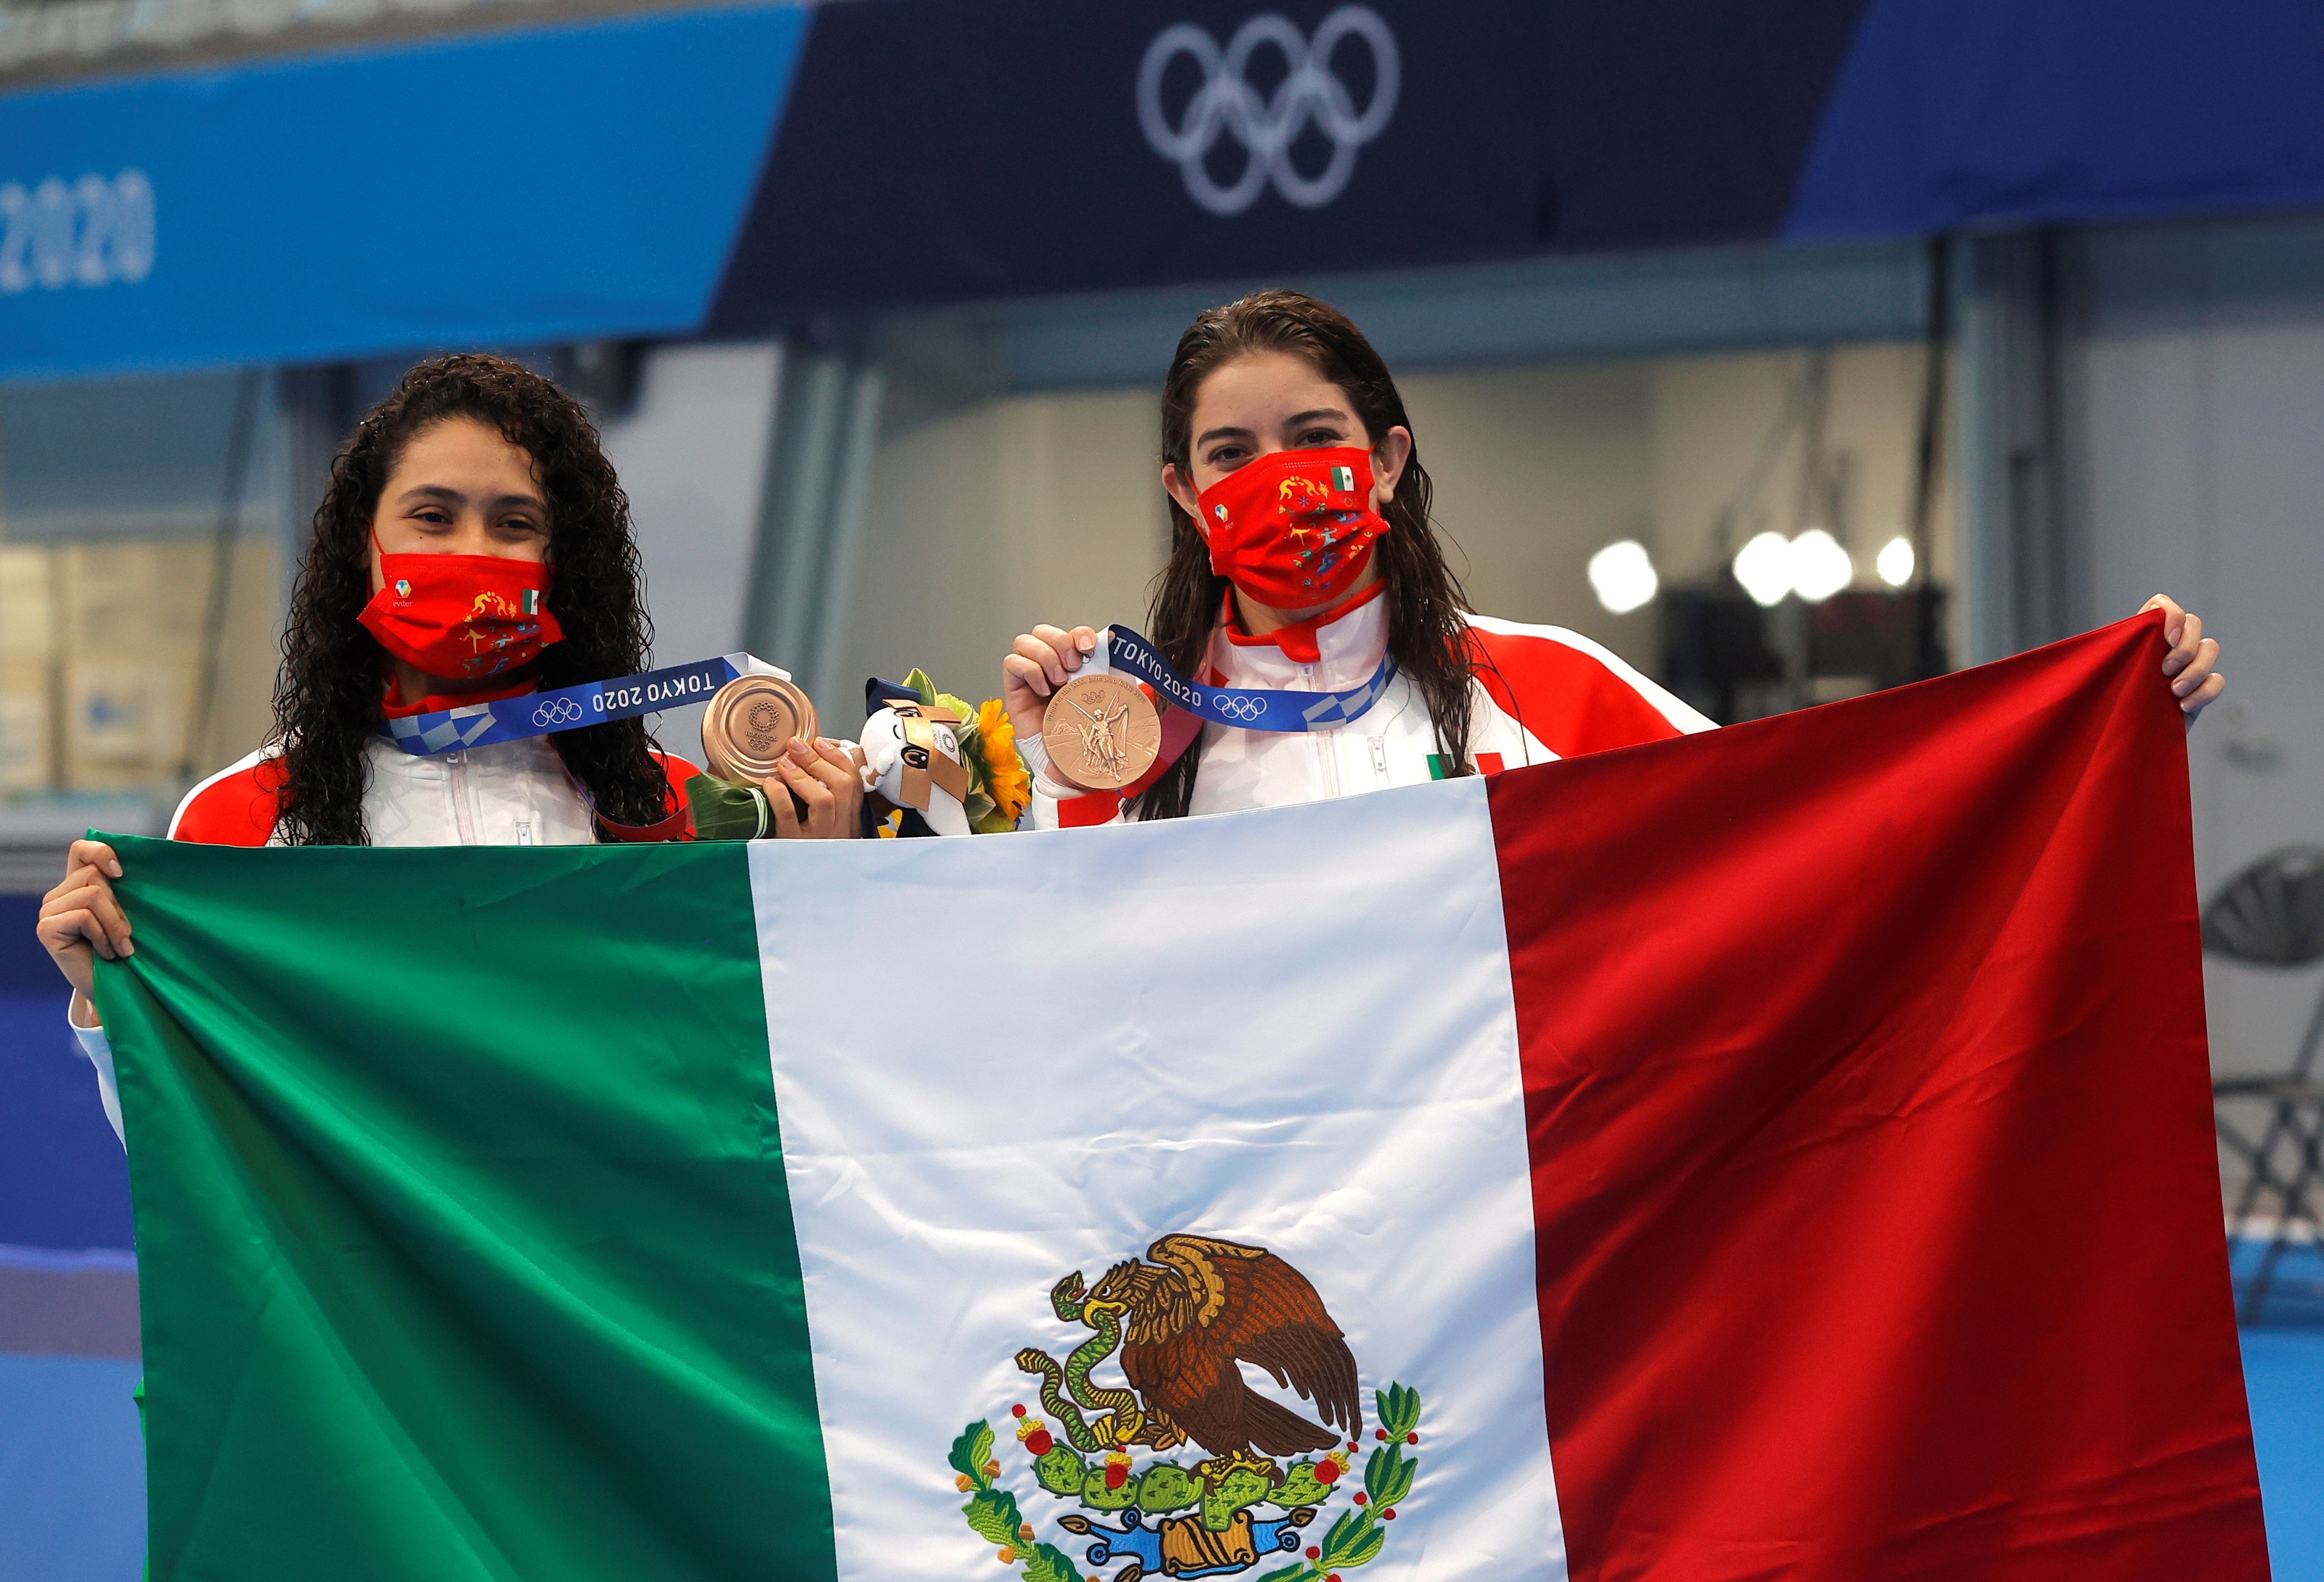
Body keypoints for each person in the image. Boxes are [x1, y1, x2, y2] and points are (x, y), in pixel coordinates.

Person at [1003, 289, 2224, 826]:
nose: (1275, 476)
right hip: (1262, 1228)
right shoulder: (1128, 735)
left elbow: (1823, 812)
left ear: (1383, 461)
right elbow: (1053, 976)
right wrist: (1053, 770)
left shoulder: (1551, 687)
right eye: (1231, 454)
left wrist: (2090, 718)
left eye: (1314, 439)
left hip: (1513, 1218)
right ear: (1185, 492)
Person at [37, 353, 863, 1135]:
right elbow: (201, 1150)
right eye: (432, 517)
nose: (472, 552)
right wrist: (109, 1001)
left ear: (563, 560)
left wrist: (817, 899)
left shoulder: (675, 809)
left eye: (514, 523)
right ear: (363, 542)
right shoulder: (238, 820)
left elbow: (772, 1102)